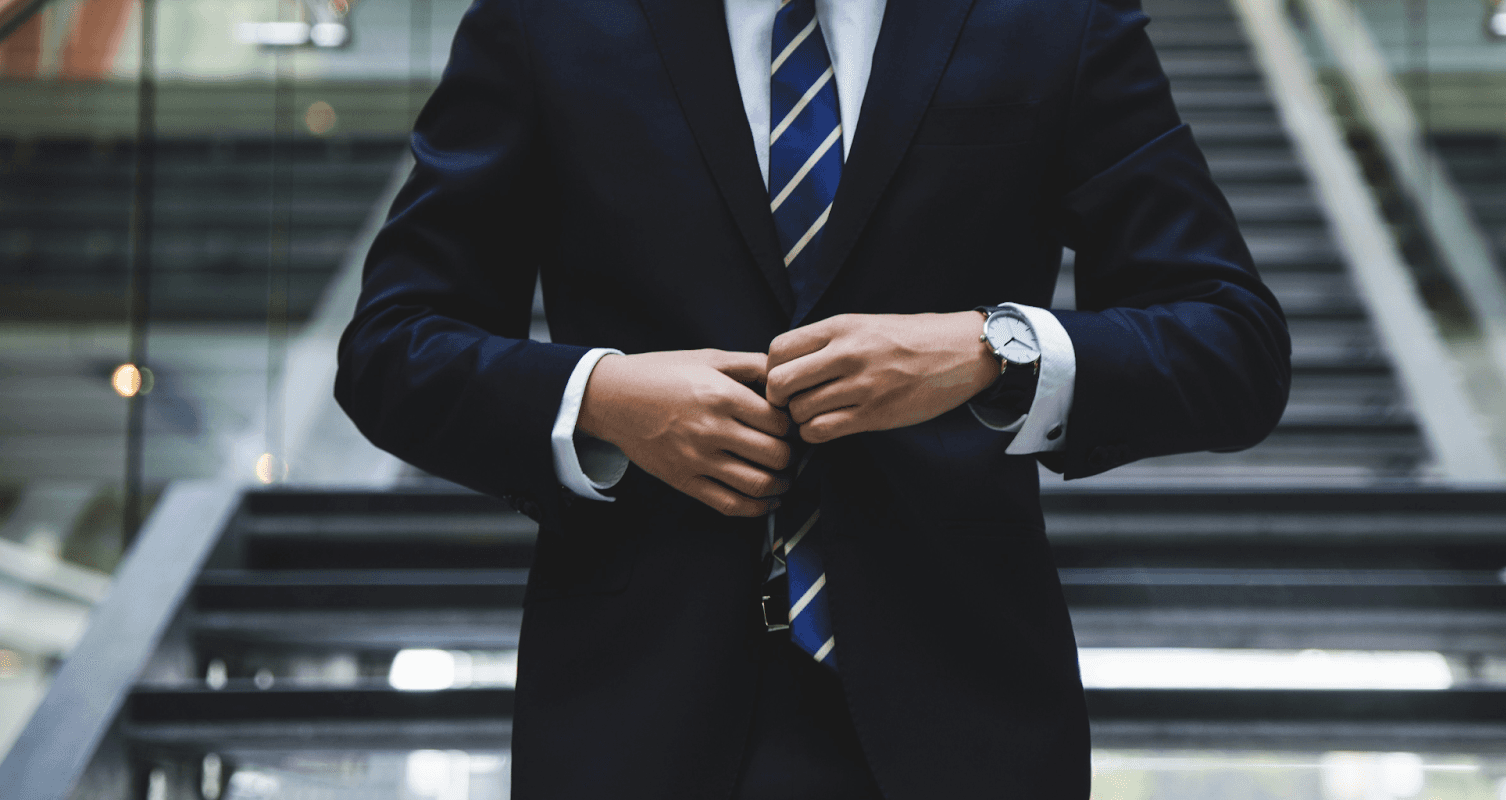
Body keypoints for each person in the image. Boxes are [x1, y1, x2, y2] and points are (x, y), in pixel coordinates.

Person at [334, 0, 1292, 796]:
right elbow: (391, 346)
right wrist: (602, 397)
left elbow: (1232, 342)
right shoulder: (547, 18)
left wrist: (992, 348)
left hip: (964, 715)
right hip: (632, 712)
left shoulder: (1053, 16)